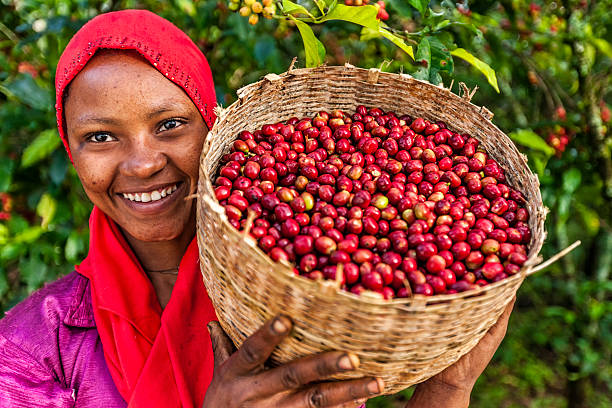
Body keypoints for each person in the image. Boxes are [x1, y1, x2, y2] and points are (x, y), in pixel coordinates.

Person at [0, 9, 515, 408]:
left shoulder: (302, 292)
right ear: (71, 151)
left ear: (215, 127)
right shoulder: (30, 351)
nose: (141, 164)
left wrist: (447, 386)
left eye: (170, 125)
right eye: (101, 136)